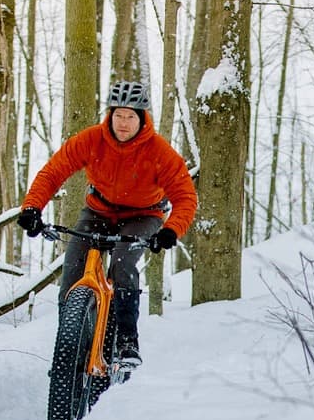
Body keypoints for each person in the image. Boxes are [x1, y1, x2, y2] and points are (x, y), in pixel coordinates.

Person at [16, 80, 196, 368]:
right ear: (110, 116)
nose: (124, 123)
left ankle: (127, 342)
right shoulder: (92, 140)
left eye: (131, 116)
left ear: (142, 119)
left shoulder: (159, 152)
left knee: (123, 265)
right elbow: (53, 172)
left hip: (144, 215)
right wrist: (32, 208)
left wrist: (171, 230)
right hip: (98, 212)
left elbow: (185, 196)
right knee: (73, 272)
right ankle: (70, 345)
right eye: (119, 115)